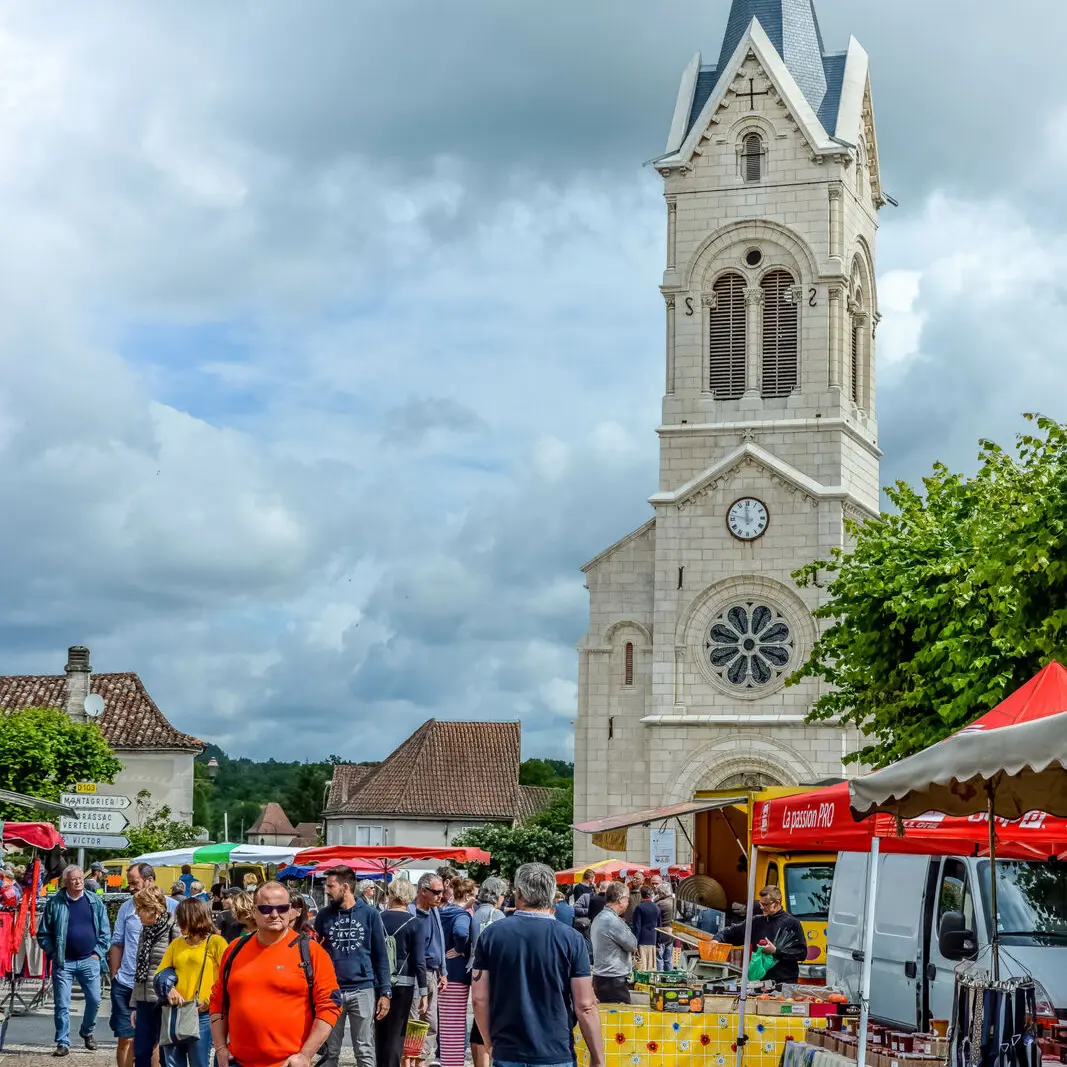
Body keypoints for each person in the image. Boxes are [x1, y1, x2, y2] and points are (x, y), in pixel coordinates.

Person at [471, 863, 604, 1067]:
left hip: (507, 1050)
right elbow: (585, 1005)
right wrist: (598, 1059)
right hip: (556, 1051)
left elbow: (479, 999)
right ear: (551, 895)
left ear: (520, 893)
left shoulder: (491, 935)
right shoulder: (572, 939)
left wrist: (489, 1043)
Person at [209, 881, 342, 1067]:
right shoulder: (234, 950)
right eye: (265, 908)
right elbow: (218, 1001)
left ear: (291, 910)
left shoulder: (311, 951)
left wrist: (305, 1054)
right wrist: (221, 1048)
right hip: (237, 1062)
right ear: (254, 911)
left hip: (288, 1063)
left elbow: (330, 1006)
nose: (274, 914)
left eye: (281, 908)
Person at [315, 865, 391, 1067]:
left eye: (331, 886)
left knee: (364, 1049)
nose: (327, 890)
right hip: (331, 991)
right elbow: (315, 954)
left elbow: (380, 955)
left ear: (345, 887)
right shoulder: (324, 916)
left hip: (363, 989)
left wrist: (385, 992)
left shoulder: (370, 914)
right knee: (329, 1050)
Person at [109, 863, 180, 1067]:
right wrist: (115, 975)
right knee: (128, 1038)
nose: (130, 887)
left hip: (159, 991)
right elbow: (118, 942)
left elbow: (178, 951)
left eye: (134, 882)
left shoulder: (172, 910)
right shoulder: (127, 908)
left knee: (156, 1042)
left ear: (149, 880)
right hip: (129, 984)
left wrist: (172, 984)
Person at [37, 865, 111, 1057]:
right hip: (64, 962)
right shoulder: (55, 903)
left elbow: (105, 932)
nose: (78, 882)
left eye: (80, 878)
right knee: (62, 1003)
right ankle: (63, 1041)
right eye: (74, 879)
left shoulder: (94, 901)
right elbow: (43, 933)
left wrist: (98, 953)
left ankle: (87, 1031)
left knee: (95, 1000)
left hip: (90, 959)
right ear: (66, 882)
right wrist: (53, 952)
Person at [154, 897, 227, 1067]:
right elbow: (160, 973)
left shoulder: (216, 942)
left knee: (199, 1063)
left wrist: (209, 1001)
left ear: (193, 918)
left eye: (181, 919)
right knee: (172, 1063)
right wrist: (169, 989)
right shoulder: (177, 944)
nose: (178, 924)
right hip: (176, 1012)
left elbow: (227, 977)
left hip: (202, 1013)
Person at [713, 885, 808, 984]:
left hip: (785, 982)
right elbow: (732, 932)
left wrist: (776, 951)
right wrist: (717, 939)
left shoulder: (792, 923)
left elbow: (801, 953)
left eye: (765, 904)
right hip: (759, 982)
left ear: (777, 903)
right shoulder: (756, 922)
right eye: (760, 904)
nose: (762, 907)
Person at [377, 879, 427, 1067]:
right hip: (404, 983)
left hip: (380, 982)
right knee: (397, 1033)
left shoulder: (377, 918)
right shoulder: (415, 923)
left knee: (380, 1032)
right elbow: (419, 961)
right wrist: (423, 991)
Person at [131, 886, 180, 1067]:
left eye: (141, 909)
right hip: (144, 999)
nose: (137, 914)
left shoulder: (173, 928)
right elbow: (140, 968)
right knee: (141, 1050)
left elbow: (179, 964)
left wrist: (172, 990)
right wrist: (135, 1004)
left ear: (153, 908)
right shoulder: (146, 930)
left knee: (166, 1052)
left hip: (164, 998)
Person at [407, 872, 446, 1067]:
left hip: (433, 972)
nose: (441, 896)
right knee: (414, 1020)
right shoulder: (410, 911)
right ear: (423, 891)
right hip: (415, 974)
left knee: (431, 1022)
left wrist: (443, 970)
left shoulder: (435, 911)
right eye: (437, 892)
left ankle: (420, 1058)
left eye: (442, 892)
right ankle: (410, 1059)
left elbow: (440, 939)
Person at [467, 877, 506, 1067]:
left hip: (475, 968)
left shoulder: (475, 913)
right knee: (487, 1018)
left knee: (477, 1017)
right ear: (497, 895)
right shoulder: (496, 915)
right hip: (493, 971)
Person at [438, 879, 475, 1067]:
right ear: (467, 895)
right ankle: (453, 1063)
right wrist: (460, 949)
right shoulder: (461, 915)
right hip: (456, 971)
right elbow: (461, 933)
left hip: (442, 970)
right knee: (455, 1022)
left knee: (446, 1022)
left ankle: (447, 1060)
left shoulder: (442, 911)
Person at [590, 881, 636, 1003]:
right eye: (627, 899)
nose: (627, 903)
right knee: (621, 1019)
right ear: (620, 900)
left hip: (602, 977)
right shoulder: (613, 921)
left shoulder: (599, 917)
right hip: (614, 981)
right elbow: (632, 944)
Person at [631, 886, 660, 972]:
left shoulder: (639, 907)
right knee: (651, 965)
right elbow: (659, 926)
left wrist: (634, 942)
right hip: (653, 939)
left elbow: (637, 926)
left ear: (641, 895)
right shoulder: (656, 907)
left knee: (642, 966)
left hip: (642, 939)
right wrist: (658, 941)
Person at [654, 883, 676, 971]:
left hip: (662, 934)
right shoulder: (675, 901)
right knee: (668, 959)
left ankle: (659, 978)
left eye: (659, 893)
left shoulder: (660, 904)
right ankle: (669, 978)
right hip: (672, 933)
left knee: (659, 958)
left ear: (662, 893)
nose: (658, 894)